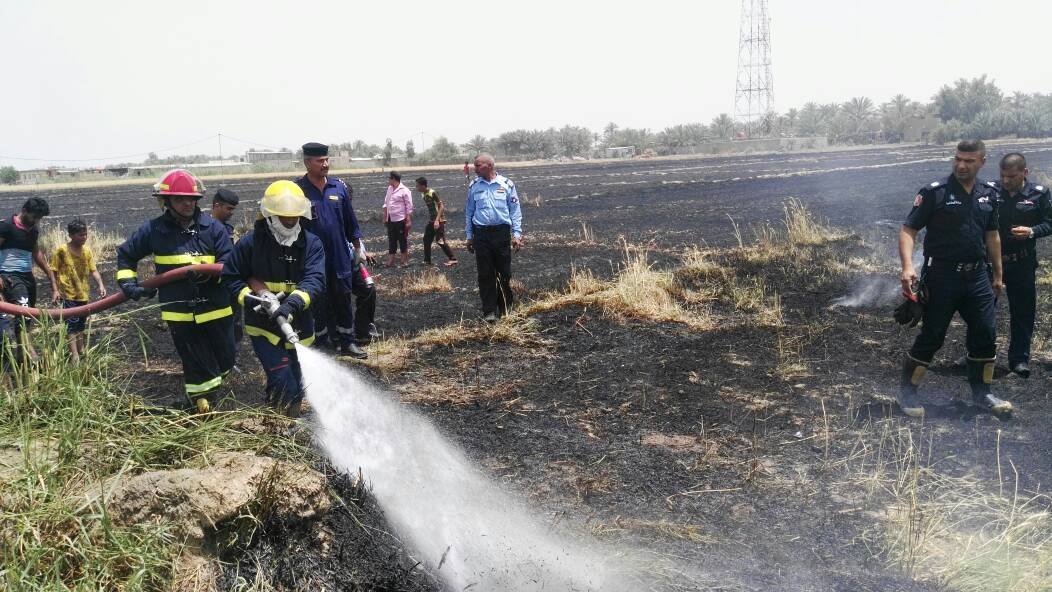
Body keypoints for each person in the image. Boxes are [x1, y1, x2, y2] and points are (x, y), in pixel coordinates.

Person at [897, 140, 1010, 417]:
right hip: (941, 277)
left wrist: (997, 273)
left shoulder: (989, 194)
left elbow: (992, 234)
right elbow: (908, 229)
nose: (961, 165)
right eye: (958, 159)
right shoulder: (935, 192)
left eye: (969, 161)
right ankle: (907, 394)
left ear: (982, 162)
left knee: (985, 333)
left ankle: (983, 394)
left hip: (978, 277)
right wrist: (907, 266)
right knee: (932, 336)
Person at [116, 169, 236, 412]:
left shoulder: (213, 229)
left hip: (217, 308)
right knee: (195, 362)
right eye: (180, 198)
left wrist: (209, 272)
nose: (187, 203)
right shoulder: (154, 230)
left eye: (191, 198)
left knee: (226, 360)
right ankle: (203, 407)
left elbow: (230, 261)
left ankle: (208, 397)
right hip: (180, 312)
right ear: (166, 201)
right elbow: (126, 255)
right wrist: (129, 284)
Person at [222, 181, 324, 417]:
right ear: (269, 214)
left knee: (298, 380)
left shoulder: (311, 244)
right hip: (264, 329)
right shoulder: (251, 244)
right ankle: (285, 420)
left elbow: (315, 280)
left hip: (300, 326)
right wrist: (250, 300)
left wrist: (291, 305)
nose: (290, 221)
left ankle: (283, 414)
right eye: (283, 216)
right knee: (281, 375)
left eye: (294, 217)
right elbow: (231, 277)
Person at [295, 142, 373, 359]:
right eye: (320, 161)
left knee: (343, 297)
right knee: (318, 300)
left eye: (327, 159)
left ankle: (348, 342)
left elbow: (350, 221)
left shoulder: (338, 187)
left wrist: (357, 248)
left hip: (339, 254)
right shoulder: (298, 190)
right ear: (307, 162)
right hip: (312, 257)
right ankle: (322, 343)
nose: (325, 164)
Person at [992, 152, 1052, 378]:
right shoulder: (990, 191)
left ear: (1025, 173)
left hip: (1022, 262)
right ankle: (977, 353)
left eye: (1012, 177)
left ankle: (1019, 359)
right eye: (1003, 176)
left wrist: (1032, 231)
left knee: (1023, 312)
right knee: (982, 310)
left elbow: (1049, 222)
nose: (1006, 181)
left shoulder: (1039, 194)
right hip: (993, 262)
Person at [464, 153, 523, 322]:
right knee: (485, 274)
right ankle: (489, 312)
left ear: (489, 166)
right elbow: (469, 212)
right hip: (481, 234)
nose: (474, 168)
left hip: (501, 234)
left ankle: (506, 308)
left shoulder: (506, 184)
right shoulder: (474, 186)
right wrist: (469, 236)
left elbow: (515, 212)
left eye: (478, 165)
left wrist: (516, 234)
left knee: (504, 273)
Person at [0, 197, 57, 362]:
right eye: (34, 217)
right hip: (9, 275)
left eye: (39, 218)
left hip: (27, 276)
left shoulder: (33, 230)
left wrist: (51, 278)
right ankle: (30, 353)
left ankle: (21, 356)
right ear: (24, 211)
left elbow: (36, 253)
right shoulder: (6, 226)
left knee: (27, 316)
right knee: (23, 311)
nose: (36, 221)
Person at [50, 219, 107, 362]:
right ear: (71, 235)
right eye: (80, 235)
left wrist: (101, 285)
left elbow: (93, 270)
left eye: (85, 234)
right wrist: (55, 290)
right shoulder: (62, 251)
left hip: (83, 294)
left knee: (81, 324)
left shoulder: (86, 251)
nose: (84, 237)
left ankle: (82, 350)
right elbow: (53, 271)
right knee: (71, 325)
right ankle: (74, 355)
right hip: (68, 294)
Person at [211, 187, 243, 349]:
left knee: (235, 322)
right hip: (214, 286)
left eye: (233, 209)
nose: (231, 213)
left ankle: (232, 355)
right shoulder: (205, 229)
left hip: (232, 285)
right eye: (228, 209)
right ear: (217, 206)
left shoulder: (230, 230)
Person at [416, 177, 458, 267]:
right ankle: (427, 261)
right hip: (432, 220)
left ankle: (453, 259)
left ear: (423, 186)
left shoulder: (432, 193)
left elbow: (441, 206)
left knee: (440, 240)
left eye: (418, 186)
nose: (416, 188)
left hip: (438, 220)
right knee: (426, 240)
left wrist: (437, 220)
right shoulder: (423, 194)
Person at [382, 172, 414, 267]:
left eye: (389, 178)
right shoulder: (389, 189)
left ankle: (403, 261)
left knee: (402, 240)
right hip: (390, 219)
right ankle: (390, 261)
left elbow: (409, 206)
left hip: (401, 219)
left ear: (394, 179)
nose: (388, 180)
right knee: (392, 239)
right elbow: (386, 203)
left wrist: (408, 220)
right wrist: (385, 216)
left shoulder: (404, 190)